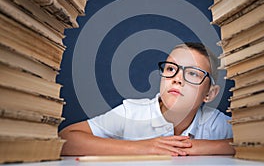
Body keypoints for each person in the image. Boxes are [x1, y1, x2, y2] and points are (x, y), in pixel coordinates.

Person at [59, 42, 235, 156]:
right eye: (170, 69)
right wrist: (145, 147)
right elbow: (65, 138)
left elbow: (261, 143)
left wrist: (194, 147)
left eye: (192, 73)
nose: (177, 78)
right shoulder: (131, 113)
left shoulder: (216, 123)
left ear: (209, 94)